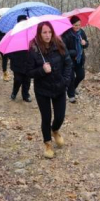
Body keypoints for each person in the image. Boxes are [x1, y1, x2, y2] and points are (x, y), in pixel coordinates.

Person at [26, 22, 72, 159]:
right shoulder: (33, 50)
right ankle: (47, 144)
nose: (47, 35)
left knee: (60, 116)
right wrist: (42, 70)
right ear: (39, 34)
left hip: (59, 87)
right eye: (44, 32)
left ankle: (55, 130)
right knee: (46, 118)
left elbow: (68, 63)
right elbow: (29, 72)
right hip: (42, 90)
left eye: (49, 32)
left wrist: (65, 80)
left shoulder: (59, 44)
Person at [61, 15, 89, 103]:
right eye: (75, 25)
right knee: (71, 78)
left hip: (79, 59)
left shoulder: (81, 33)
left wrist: (85, 43)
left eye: (79, 25)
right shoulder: (66, 34)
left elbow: (86, 44)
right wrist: (74, 52)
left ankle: (73, 87)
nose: (77, 27)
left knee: (81, 75)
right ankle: (71, 95)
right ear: (71, 25)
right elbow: (63, 50)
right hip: (69, 60)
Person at [8, 15, 32, 102]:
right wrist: (13, 58)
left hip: (28, 61)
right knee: (18, 79)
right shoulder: (13, 33)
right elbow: (9, 49)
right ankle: (14, 92)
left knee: (27, 80)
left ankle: (26, 95)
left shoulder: (30, 33)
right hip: (17, 61)